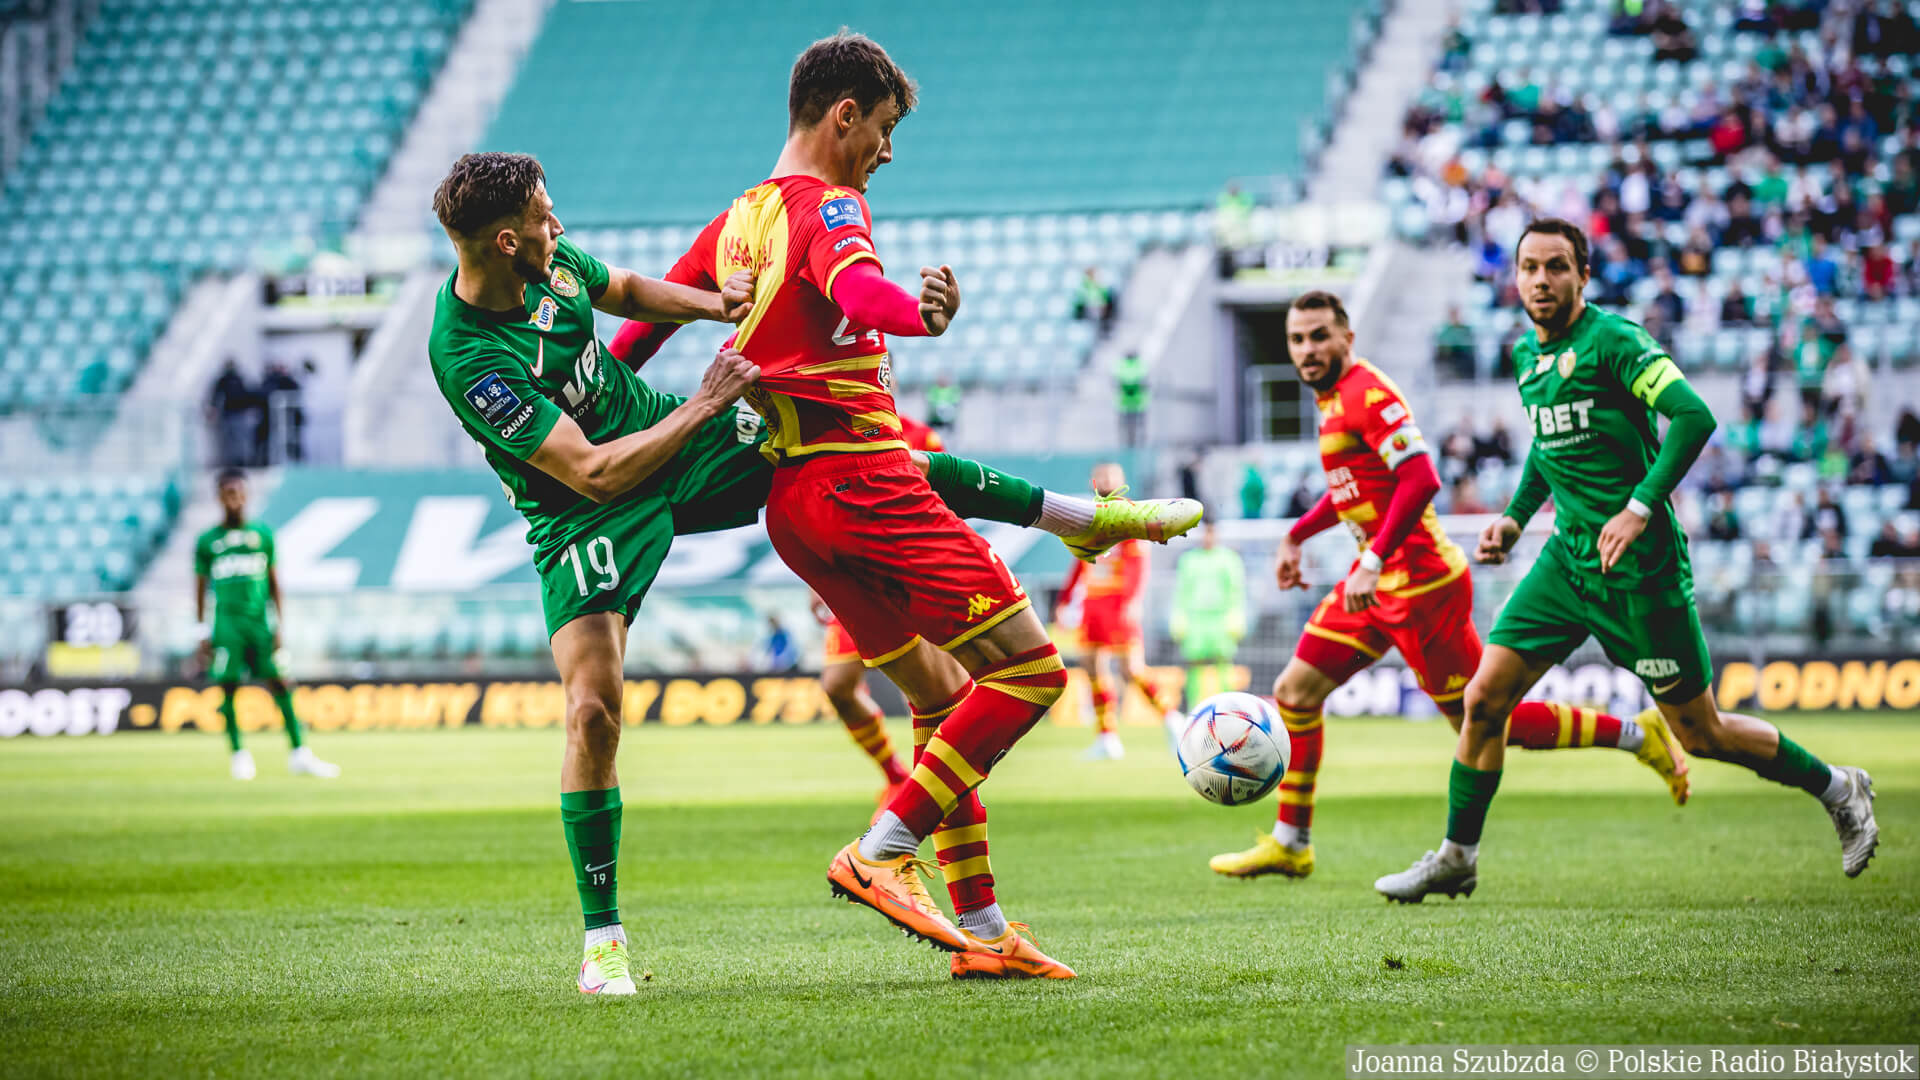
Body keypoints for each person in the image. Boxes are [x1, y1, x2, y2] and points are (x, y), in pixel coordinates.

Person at [426, 151, 1198, 994]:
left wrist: (718, 303)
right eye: (544, 220)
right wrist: (705, 402)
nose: (559, 227)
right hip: (584, 508)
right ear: (505, 242)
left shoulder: (554, 262)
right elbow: (594, 474)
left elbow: (633, 293)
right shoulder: (469, 359)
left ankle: (1070, 521)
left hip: (670, 441)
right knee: (593, 713)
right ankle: (603, 940)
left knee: (859, 447)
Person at [604, 36, 1203, 979]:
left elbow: (641, 328)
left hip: (795, 507)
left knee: (940, 695)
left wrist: (576, 423)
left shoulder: (739, 220)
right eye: (882, 130)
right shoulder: (830, 204)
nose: (887, 152)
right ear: (844, 114)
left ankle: (986, 930)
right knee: (1032, 673)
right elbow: (855, 283)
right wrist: (911, 312)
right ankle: (880, 852)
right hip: (865, 479)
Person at [1375, 220, 1878, 903]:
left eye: (1557, 267)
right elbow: (1547, 449)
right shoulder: (1527, 356)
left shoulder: (1615, 341)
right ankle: (1457, 857)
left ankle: (1838, 787)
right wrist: (1517, 518)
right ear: (1515, 276)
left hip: (1642, 571)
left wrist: (1639, 505)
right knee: (1483, 698)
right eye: (1529, 267)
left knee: (1702, 734)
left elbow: (1694, 416)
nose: (1541, 280)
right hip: (1567, 565)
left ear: (1583, 276)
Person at [1209, 290, 1687, 881]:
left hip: (1423, 588)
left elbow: (1421, 478)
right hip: (1377, 586)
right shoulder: (1330, 400)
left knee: (1482, 723)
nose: (1306, 349)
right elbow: (1355, 489)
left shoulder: (1366, 393)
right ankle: (1291, 843)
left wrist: (1372, 558)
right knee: (1296, 692)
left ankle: (1636, 734)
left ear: (1347, 338)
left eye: (1318, 336)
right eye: (1296, 339)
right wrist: (1298, 535)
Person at [811, 414, 947, 804]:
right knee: (837, 686)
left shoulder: (920, 435)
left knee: (930, 689)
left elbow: (940, 499)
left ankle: (931, 790)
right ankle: (897, 777)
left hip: (907, 569)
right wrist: (816, 572)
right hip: (851, 573)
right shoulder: (829, 430)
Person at [193, 470, 338, 782]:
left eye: (239, 493)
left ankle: (300, 753)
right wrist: (201, 631)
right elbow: (200, 587)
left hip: (259, 622)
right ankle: (238, 755)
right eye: (228, 494)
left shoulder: (262, 535)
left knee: (281, 684)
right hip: (227, 624)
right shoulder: (208, 541)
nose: (235, 499)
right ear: (220, 497)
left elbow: (274, 583)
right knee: (228, 687)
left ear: (246, 495)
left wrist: (279, 624)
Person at [1058, 462, 1185, 761]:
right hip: (1093, 602)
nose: (1105, 481)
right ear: (1093, 481)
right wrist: (1065, 598)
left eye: (1111, 476)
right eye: (1101, 476)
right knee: (1091, 665)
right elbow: (1080, 558)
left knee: (1131, 669)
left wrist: (1132, 600)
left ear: (1121, 480)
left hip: (1118, 602)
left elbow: (1138, 559)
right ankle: (1107, 736)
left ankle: (1172, 718)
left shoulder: (1129, 514)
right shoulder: (1088, 515)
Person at [1171, 518, 1245, 706]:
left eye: (1211, 531)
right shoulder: (1189, 560)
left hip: (1220, 618)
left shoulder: (1229, 559)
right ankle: (1195, 707)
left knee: (1224, 662)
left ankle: (1228, 706)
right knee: (1195, 665)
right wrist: (1179, 617)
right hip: (1196, 619)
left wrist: (1235, 616)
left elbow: (1236, 591)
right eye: (1204, 531)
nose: (1207, 536)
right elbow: (1182, 592)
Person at [209, 360, 257, 467]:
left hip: (240, 413)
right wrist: (214, 409)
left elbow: (247, 395)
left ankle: (243, 461)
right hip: (228, 414)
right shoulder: (223, 380)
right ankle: (231, 462)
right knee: (229, 440)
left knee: (242, 439)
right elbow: (216, 396)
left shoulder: (239, 379)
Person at [1114, 351, 1148, 446]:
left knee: (1135, 425)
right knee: (1130, 425)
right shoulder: (1139, 365)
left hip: (1132, 400)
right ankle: (1131, 441)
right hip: (1132, 400)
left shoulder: (1123, 365)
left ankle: (1136, 440)